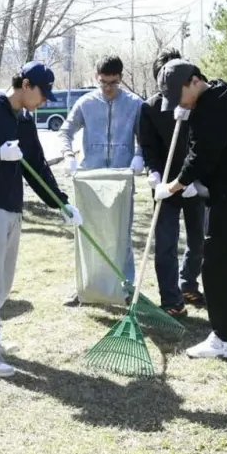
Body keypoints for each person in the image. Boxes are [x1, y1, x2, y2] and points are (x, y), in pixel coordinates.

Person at [0, 61, 81, 378]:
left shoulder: (24, 121)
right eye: (42, 93)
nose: (44, 100)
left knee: (3, 283)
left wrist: (60, 203)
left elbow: (36, 164)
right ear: (25, 85)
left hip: (11, 206)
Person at [155, 59, 227, 358]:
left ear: (194, 81)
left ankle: (223, 338)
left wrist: (174, 185)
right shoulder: (219, 91)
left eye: (178, 96)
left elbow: (201, 156)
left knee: (216, 262)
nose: (178, 103)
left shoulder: (212, 108)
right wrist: (190, 113)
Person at [59, 55, 144, 305]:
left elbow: (146, 139)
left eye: (113, 83)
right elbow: (66, 131)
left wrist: (139, 157)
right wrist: (67, 154)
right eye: (103, 82)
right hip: (90, 179)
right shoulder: (86, 103)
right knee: (89, 234)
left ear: (121, 78)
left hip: (121, 180)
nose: (108, 88)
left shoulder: (135, 104)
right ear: (97, 78)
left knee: (121, 235)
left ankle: (125, 287)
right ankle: (86, 286)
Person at [138, 48, 206, 318]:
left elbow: (203, 146)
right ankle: (171, 299)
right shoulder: (151, 107)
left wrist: (194, 179)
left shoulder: (198, 102)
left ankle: (188, 282)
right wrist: (154, 174)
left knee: (199, 239)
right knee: (165, 242)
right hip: (166, 185)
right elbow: (148, 145)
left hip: (194, 183)